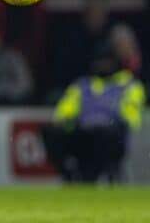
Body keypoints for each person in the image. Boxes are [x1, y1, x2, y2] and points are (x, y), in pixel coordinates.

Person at [42, 40, 145, 183]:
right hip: (84, 135)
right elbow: (63, 113)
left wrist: (109, 124)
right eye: (100, 62)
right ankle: (68, 174)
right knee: (51, 131)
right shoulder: (82, 85)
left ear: (115, 62)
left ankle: (100, 172)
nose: (102, 65)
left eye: (106, 62)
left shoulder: (128, 85)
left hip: (110, 138)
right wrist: (61, 122)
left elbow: (131, 117)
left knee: (104, 133)